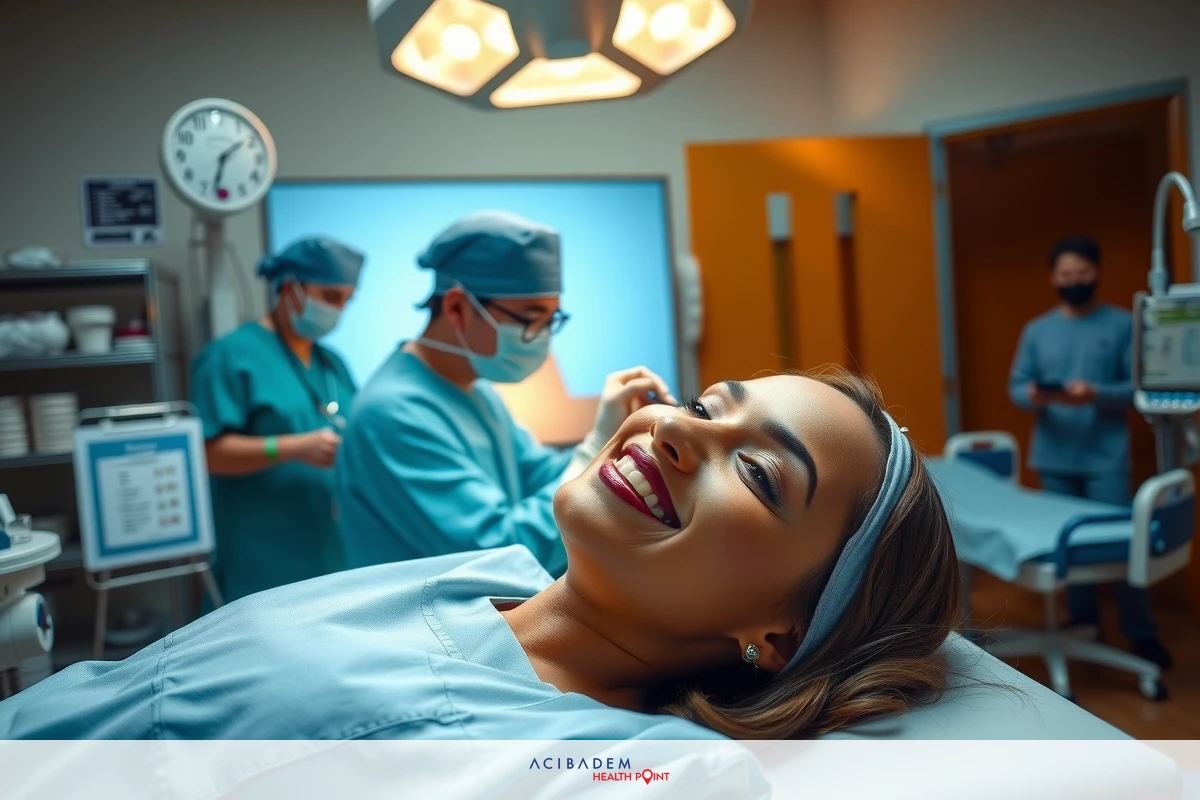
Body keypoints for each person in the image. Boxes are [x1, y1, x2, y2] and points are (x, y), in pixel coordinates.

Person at [0, 369, 959, 741]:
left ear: (781, 635)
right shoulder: (494, 573)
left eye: (754, 472)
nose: (668, 428)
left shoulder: (571, 753)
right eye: (706, 404)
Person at [335, 211, 672, 576]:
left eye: (552, 321)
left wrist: (619, 446)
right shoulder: (392, 414)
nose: (543, 338)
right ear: (457, 308)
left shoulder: (475, 390)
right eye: (530, 319)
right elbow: (503, 550)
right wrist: (596, 444)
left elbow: (541, 473)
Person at [1008, 235, 1171, 668]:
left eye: (1081, 273)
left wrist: (1095, 393)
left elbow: (1138, 387)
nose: (1073, 280)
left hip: (1105, 458)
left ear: (1096, 273)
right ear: (1052, 278)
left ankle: (1141, 633)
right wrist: (1035, 396)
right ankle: (1084, 623)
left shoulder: (1121, 325)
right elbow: (1016, 387)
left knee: (1123, 544)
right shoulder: (1038, 330)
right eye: (1065, 275)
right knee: (1070, 548)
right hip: (1055, 456)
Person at [192, 236, 365, 603]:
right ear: (290, 287)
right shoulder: (231, 356)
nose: (339, 310)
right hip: (262, 560)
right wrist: (291, 447)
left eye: (348, 300)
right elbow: (206, 453)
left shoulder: (332, 364)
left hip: (330, 553)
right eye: (330, 297)